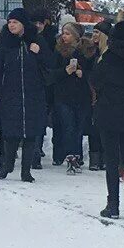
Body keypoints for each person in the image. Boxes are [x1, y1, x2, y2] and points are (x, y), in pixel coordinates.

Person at [0, 8, 51, 182]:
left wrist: (38, 54)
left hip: (33, 93)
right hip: (10, 92)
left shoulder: (36, 40)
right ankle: (7, 165)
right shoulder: (5, 43)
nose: (11, 25)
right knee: (11, 132)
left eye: (15, 22)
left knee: (30, 132)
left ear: (23, 24)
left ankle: (26, 171)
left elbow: (49, 65)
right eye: (10, 22)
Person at [91, 21, 124, 220]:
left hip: (108, 113)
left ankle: (112, 205)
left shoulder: (109, 57)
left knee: (112, 161)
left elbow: (95, 81)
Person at [49, 21, 97, 172]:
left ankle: (77, 155)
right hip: (63, 96)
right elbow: (51, 74)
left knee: (79, 127)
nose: (64, 36)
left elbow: (95, 73)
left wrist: (83, 74)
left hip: (82, 96)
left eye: (68, 33)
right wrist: (65, 71)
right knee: (68, 126)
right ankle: (71, 156)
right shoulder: (58, 51)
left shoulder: (88, 51)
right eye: (63, 33)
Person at [29, 7, 57, 167]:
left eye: (40, 23)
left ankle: (36, 149)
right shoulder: (27, 37)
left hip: (45, 84)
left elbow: (51, 61)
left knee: (40, 118)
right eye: (35, 23)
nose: (38, 25)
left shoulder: (50, 38)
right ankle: (34, 150)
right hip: (32, 82)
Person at [86, 20, 113, 170]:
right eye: (94, 32)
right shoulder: (92, 51)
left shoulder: (108, 53)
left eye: (97, 32)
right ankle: (95, 158)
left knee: (103, 127)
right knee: (94, 128)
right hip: (92, 95)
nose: (94, 35)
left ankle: (104, 157)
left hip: (104, 96)